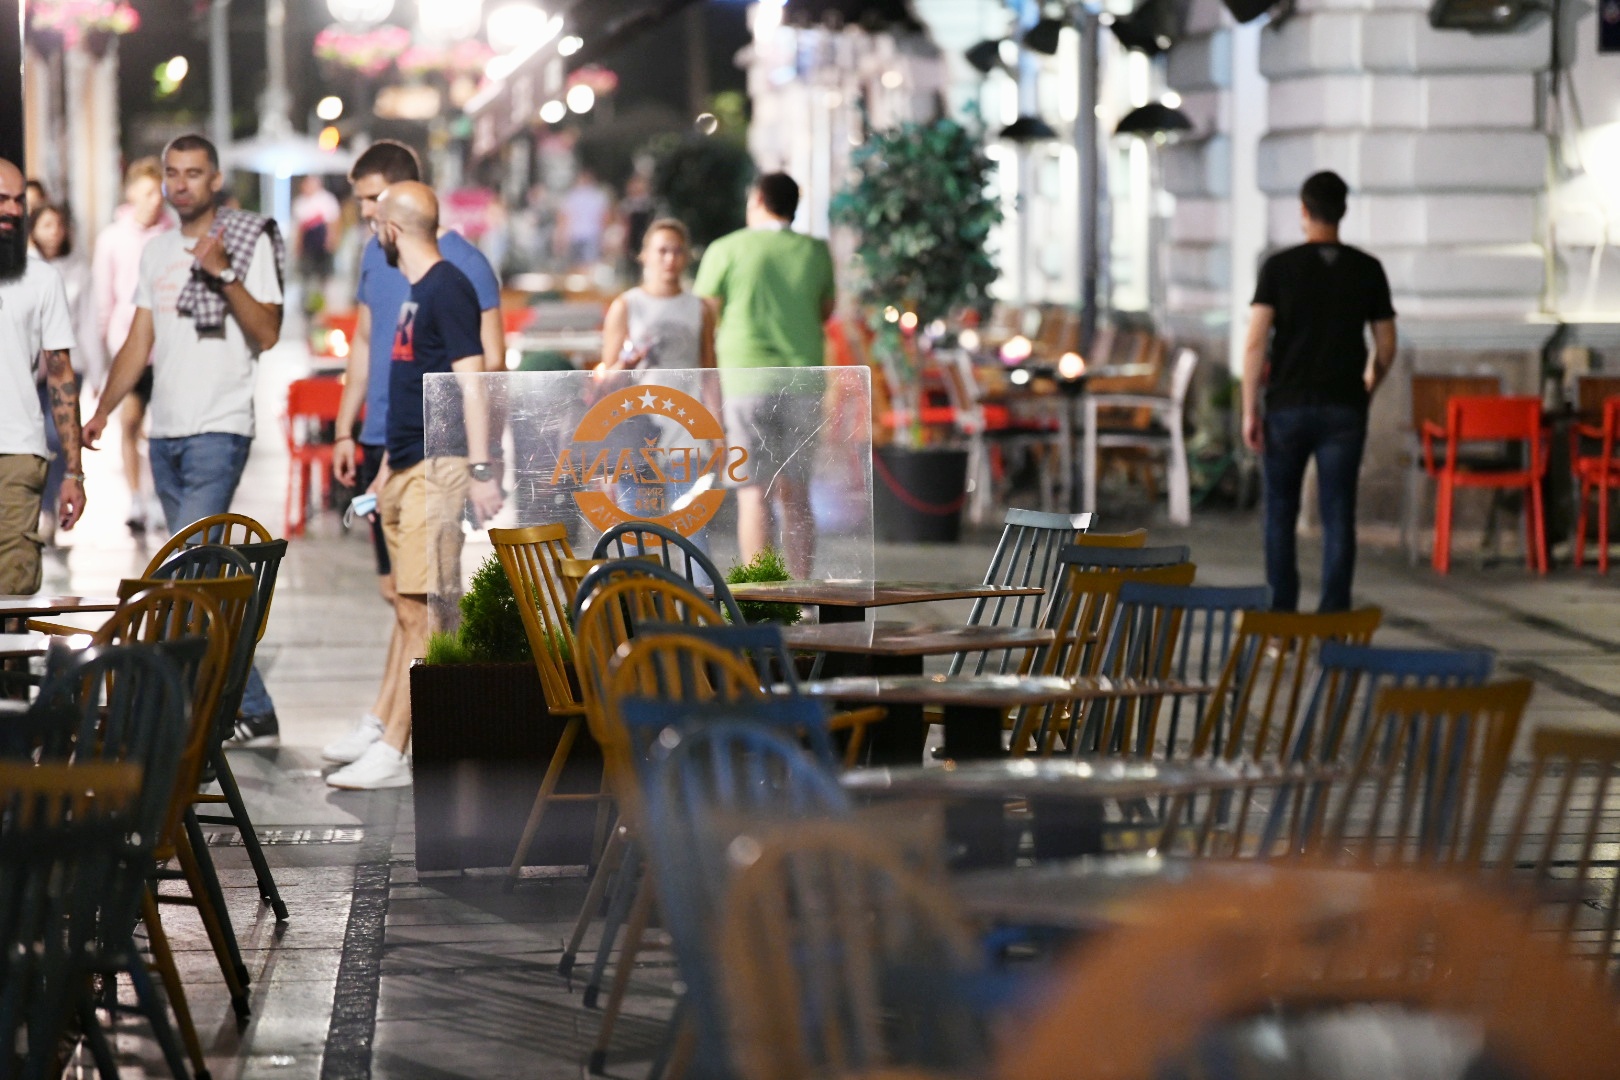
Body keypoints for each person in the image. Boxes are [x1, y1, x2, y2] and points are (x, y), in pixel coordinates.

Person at [84, 133, 286, 743]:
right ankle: (247, 705)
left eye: (193, 173)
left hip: (218, 428)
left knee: (189, 571)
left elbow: (268, 332)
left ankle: (193, 706)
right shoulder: (155, 251)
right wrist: (101, 411)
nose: (179, 184)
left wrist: (222, 274)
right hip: (166, 435)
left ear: (215, 179)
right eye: (172, 172)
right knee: (197, 575)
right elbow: (138, 341)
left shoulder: (248, 241)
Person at [325, 140, 504, 773]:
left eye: (375, 217)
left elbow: (477, 379)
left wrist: (482, 467)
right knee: (408, 602)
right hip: (400, 461)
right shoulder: (408, 287)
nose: (372, 229)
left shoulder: (451, 284)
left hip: (439, 464)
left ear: (392, 226)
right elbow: (393, 375)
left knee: (429, 606)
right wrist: (381, 463)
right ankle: (391, 729)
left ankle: (401, 745)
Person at [1242, 170, 1397, 614]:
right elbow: (1386, 345)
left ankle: (1281, 622)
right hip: (1345, 406)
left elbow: (1255, 342)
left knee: (1279, 515)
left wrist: (1249, 408)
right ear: (1344, 211)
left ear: (1304, 211)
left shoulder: (1278, 267)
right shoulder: (1368, 270)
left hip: (1287, 406)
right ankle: (1331, 622)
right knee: (1337, 517)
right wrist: (1368, 386)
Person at [693, 171, 835, 578]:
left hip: (744, 382)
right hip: (804, 380)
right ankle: (802, 593)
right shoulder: (815, 252)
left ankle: (761, 595)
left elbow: (705, 312)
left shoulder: (726, 248)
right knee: (797, 494)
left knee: (753, 493)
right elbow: (825, 311)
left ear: (756, 200)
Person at [0, 160, 85, 594]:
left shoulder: (42, 280)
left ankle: (11, 666)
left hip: (17, 453)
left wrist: (74, 472)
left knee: (12, 595)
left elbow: (60, 375)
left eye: (19, 201)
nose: (13, 210)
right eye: (2, 199)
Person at [92, 156, 174, 534]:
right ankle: (135, 496)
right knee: (130, 422)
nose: (154, 200)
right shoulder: (112, 238)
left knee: (162, 428)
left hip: (168, 349)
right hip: (129, 347)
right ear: (131, 193)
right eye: (146, 192)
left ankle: (158, 494)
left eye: (158, 193)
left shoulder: (171, 234)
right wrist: (107, 349)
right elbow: (104, 297)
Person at [28, 203, 100, 548]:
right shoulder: (20, 269)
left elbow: (87, 324)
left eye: (58, 225)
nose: (53, 232)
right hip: (29, 372)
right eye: (45, 224)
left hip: (65, 368)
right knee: (38, 441)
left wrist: (98, 372)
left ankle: (54, 506)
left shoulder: (76, 270)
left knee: (57, 438)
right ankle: (41, 508)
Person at [292, 175, 340, 298]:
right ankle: (307, 304)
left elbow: (333, 222)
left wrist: (331, 240)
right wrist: (298, 245)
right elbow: (299, 227)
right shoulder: (300, 202)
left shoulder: (326, 199)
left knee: (323, 275)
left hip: (322, 243)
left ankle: (322, 302)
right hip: (308, 244)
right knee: (307, 275)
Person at [555, 169, 610, 268]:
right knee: (588, 265)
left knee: (576, 265)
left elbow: (563, 218)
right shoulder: (597, 196)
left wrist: (561, 237)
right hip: (588, 234)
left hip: (578, 235)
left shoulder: (572, 196)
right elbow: (604, 218)